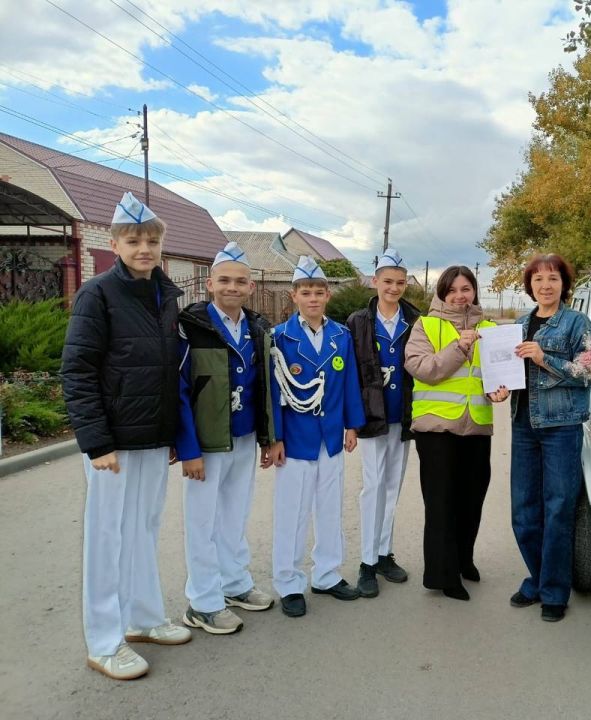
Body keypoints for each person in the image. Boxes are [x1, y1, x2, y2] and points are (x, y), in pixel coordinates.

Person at [62, 192, 192, 681]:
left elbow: (169, 371)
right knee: (106, 537)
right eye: (134, 240)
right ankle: (104, 640)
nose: (144, 248)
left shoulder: (165, 295)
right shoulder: (97, 293)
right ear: (114, 243)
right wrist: (96, 442)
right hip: (112, 442)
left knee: (143, 529)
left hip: (152, 438)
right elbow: (78, 370)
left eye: (152, 240)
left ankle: (141, 618)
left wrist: (173, 433)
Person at [175, 242, 275, 635]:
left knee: (235, 514)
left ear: (250, 286)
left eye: (240, 281)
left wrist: (268, 437)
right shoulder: (192, 326)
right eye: (224, 280)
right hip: (207, 441)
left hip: (245, 434)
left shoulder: (255, 328)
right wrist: (188, 448)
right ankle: (202, 601)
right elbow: (180, 389)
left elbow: (265, 385)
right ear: (209, 283)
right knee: (202, 520)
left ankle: (234, 584)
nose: (232, 287)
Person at [265, 256, 366, 618]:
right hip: (295, 439)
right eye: (305, 292)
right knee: (292, 512)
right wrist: (274, 438)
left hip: (330, 437)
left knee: (330, 508)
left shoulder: (340, 335)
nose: (312, 298)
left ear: (327, 295)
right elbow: (272, 393)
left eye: (318, 292)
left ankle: (326, 573)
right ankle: (289, 582)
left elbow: (350, 382)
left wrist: (353, 424)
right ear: (293, 296)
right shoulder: (279, 338)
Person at [404, 265, 509, 601]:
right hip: (436, 429)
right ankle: (442, 575)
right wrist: (459, 347)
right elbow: (421, 369)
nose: (460, 296)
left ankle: (464, 559)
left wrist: (501, 390)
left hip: (477, 426)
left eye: (466, 289)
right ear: (442, 293)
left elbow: (496, 377)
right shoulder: (427, 325)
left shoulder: (491, 329)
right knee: (441, 503)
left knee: (472, 500)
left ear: (475, 291)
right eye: (453, 290)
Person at [509, 253, 591, 622]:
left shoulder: (577, 322)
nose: (545, 285)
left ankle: (553, 592)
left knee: (558, 509)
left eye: (552, 278)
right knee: (524, 511)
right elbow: (510, 373)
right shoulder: (518, 324)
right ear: (529, 285)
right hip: (522, 425)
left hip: (561, 427)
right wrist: (499, 389)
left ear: (564, 284)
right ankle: (538, 576)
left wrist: (545, 358)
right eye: (538, 279)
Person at [346, 248, 421, 598]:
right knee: (372, 487)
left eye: (400, 282)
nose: (393, 288)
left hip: (401, 418)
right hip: (372, 417)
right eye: (387, 281)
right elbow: (347, 373)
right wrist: (350, 418)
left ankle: (383, 553)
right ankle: (366, 563)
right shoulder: (359, 321)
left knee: (392, 486)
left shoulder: (415, 320)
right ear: (375, 281)